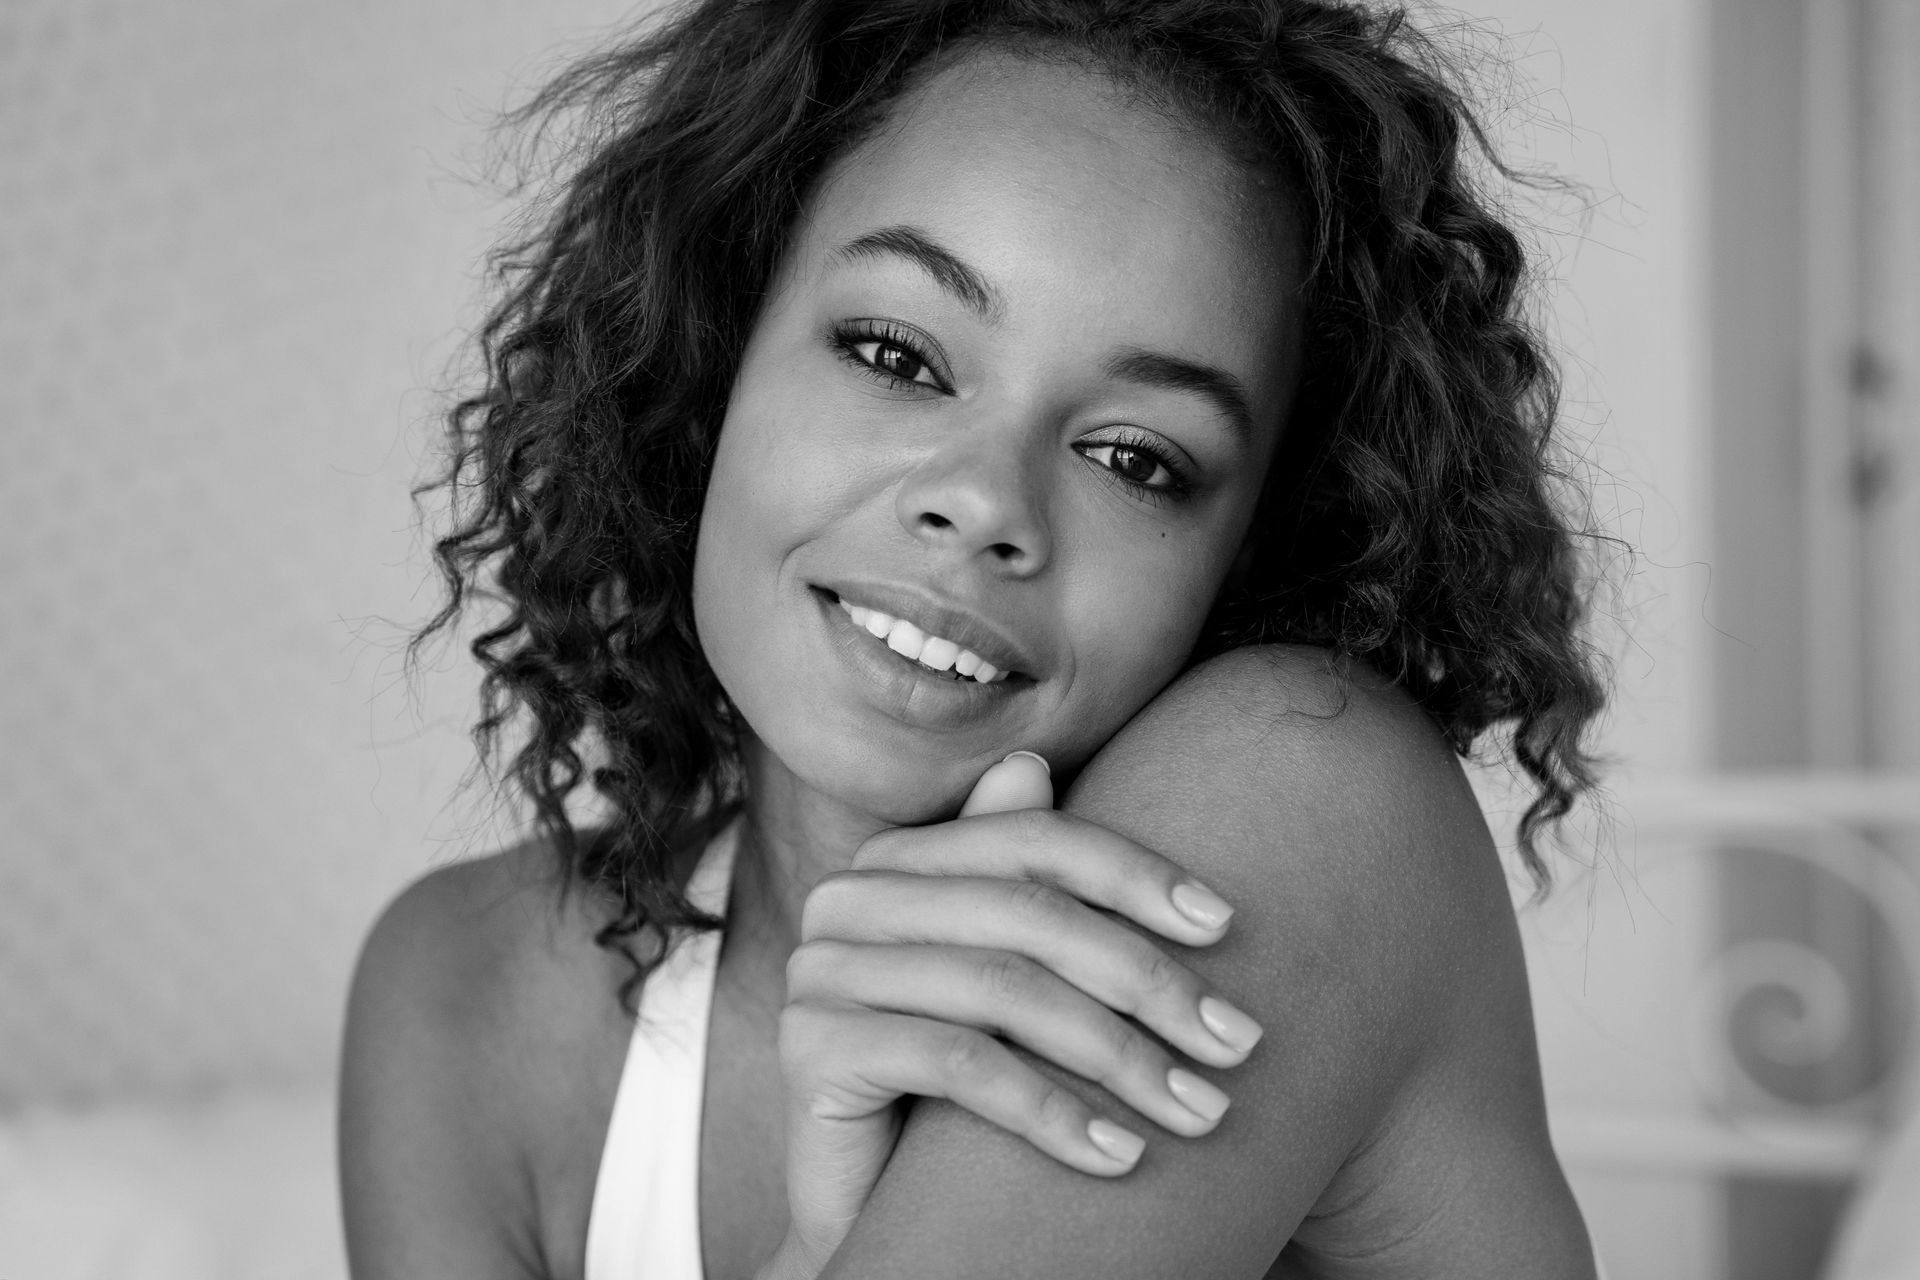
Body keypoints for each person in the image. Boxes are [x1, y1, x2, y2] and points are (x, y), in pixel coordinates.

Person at [339, 1, 1608, 1276]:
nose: (988, 500)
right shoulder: (468, 997)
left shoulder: (1310, 792)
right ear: (715, 350)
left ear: (1262, 547)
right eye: (896, 352)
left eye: (1136, 458)